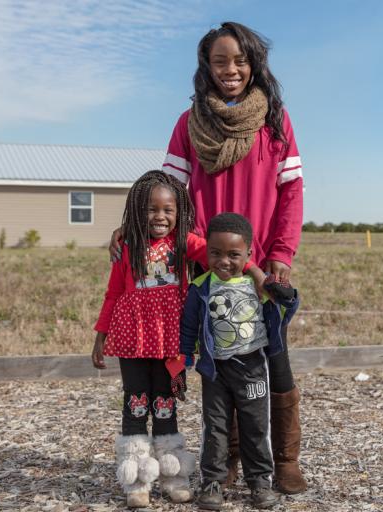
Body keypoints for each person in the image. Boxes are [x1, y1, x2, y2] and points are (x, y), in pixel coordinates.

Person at [162, 21, 306, 494]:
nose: (231, 70)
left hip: (263, 270)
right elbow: (172, 196)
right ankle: (224, 463)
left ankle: (283, 461)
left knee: (274, 363)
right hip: (211, 269)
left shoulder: (275, 121)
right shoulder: (188, 125)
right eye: (220, 60)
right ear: (206, 66)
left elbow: (291, 192)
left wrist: (280, 255)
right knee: (222, 366)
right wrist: (203, 251)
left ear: (254, 64)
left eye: (240, 60)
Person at [94, 171, 265, 508]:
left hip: (171, 340)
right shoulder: (128, 246)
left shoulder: (185, 243)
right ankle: (138, 480)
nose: (160, 217)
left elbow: (225, 253)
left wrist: (256, 272)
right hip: (134, 338)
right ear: (137, 210)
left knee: (165, 402)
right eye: (151, 209)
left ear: (179, 212)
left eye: (168, 210)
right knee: (136, 402)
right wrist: (101, 335)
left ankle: (174, 474)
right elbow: (113, 293)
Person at [180, 213, 300, 510]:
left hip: (252, 369)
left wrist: (281, 290)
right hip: (215, 371)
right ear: (206, 251)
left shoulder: (256, 284)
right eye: (215, 253)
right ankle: (212, 482)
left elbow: (289, 304)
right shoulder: (200, 287)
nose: (223, 261)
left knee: (255, 426)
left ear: (248, 254)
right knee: (215, 427)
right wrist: (182, 361)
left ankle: (259, 482)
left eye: (234, 255)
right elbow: (188, 327)